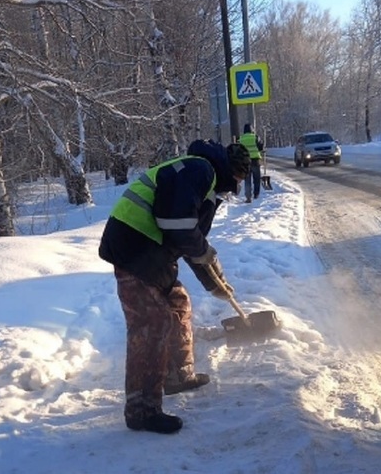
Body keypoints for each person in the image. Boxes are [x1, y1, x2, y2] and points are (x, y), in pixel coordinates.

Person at [98, 140, 251, 434]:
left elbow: (191, 242)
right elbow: (178, 226)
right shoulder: (199, 169)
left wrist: (215, 283)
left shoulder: (205, 183)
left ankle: (179, 376)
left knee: (178, 304)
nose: (235, 188)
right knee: (151, 323)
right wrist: (202, 251)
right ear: (232, 170)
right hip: (133, 245)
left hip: (152, 251)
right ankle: (142, 410)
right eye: (239, 180)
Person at [238, 123, 264, 203]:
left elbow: (238, 151)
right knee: (256, 179)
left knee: (247, 180)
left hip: (246, 162)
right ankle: (256, 194)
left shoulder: (241, 139)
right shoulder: (256, 137)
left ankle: (248, 196)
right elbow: (260, 147)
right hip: (255, 161)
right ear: (251, 129)